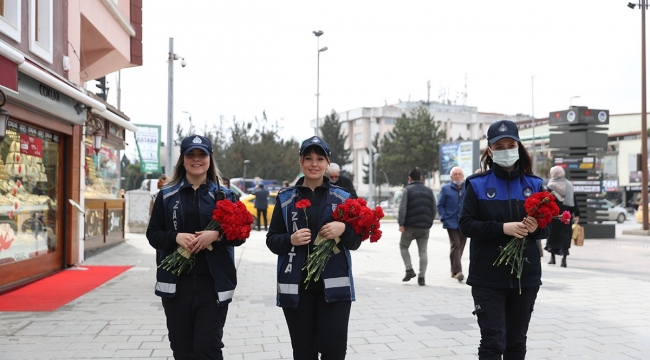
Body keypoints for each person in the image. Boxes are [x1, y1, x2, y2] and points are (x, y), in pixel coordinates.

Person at [147, 135, 245, 360]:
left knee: (208, 347)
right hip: (176, 285)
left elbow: (239, 236)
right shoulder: (167, 195)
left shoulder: (226, 196)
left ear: (210, 159)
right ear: (183, 159)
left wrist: (216, 235)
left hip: (212, 285)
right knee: (182, 349)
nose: (196, 159)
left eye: (202, 154)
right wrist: (176, 237)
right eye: (190, 154)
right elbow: (153, 235)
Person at [459, 120, 550, 359]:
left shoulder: (535, 184)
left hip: (525, 277)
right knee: (492, 342)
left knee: (516, 343)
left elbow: (546, 230)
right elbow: (466, 225)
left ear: (519, 146)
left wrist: (534, 228)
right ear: (490, 151)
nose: (506, 150)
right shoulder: (476, 185)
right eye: (499, 147)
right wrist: (503, 228)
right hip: (487, 277)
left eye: (511, 144)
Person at [266, 135, 362, 359]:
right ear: (300, 161)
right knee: (303, 352)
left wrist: (343, 229)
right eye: (308, 158)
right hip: (297, 288)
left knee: (334, 352)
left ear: (328, 163)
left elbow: (355, 242)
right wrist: (291, 239)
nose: (314, 164)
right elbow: (272, 240)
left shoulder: (343, 198)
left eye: (320, 158)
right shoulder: (285, 199)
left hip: (335, 288)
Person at [397, 167, 436, 286]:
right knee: (423, 251)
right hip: (424, 227)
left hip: (410, 227)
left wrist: (401, 224)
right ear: (421, 178)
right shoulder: (429, 191)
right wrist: (429, 222)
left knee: (403, 246)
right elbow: (434, 209)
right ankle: (422, 277)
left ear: (409, 178)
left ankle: (409, 270)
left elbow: (403, 208)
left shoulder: (407, 190)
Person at [545, 166, 580, 267]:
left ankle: (552, 258)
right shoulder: (569, 185)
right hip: (566, 215)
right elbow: (574, 200)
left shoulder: (550, 185)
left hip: (554, 216)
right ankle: (564, 260)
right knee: (565, 236)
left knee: (553, 235)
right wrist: (576, 213)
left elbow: (547, 201)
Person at [437, 166, 467, 282]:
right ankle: (458, 272)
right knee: (456, 245)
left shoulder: (468, 188)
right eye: (455, 174)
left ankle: (453, 270)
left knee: (460, 247)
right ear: (451, 177)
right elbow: (440, 205)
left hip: (465, 221)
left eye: (459, 174)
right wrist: (444, 217)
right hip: (451, 221)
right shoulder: (446, 189)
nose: (458, 176)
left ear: (463, 176)